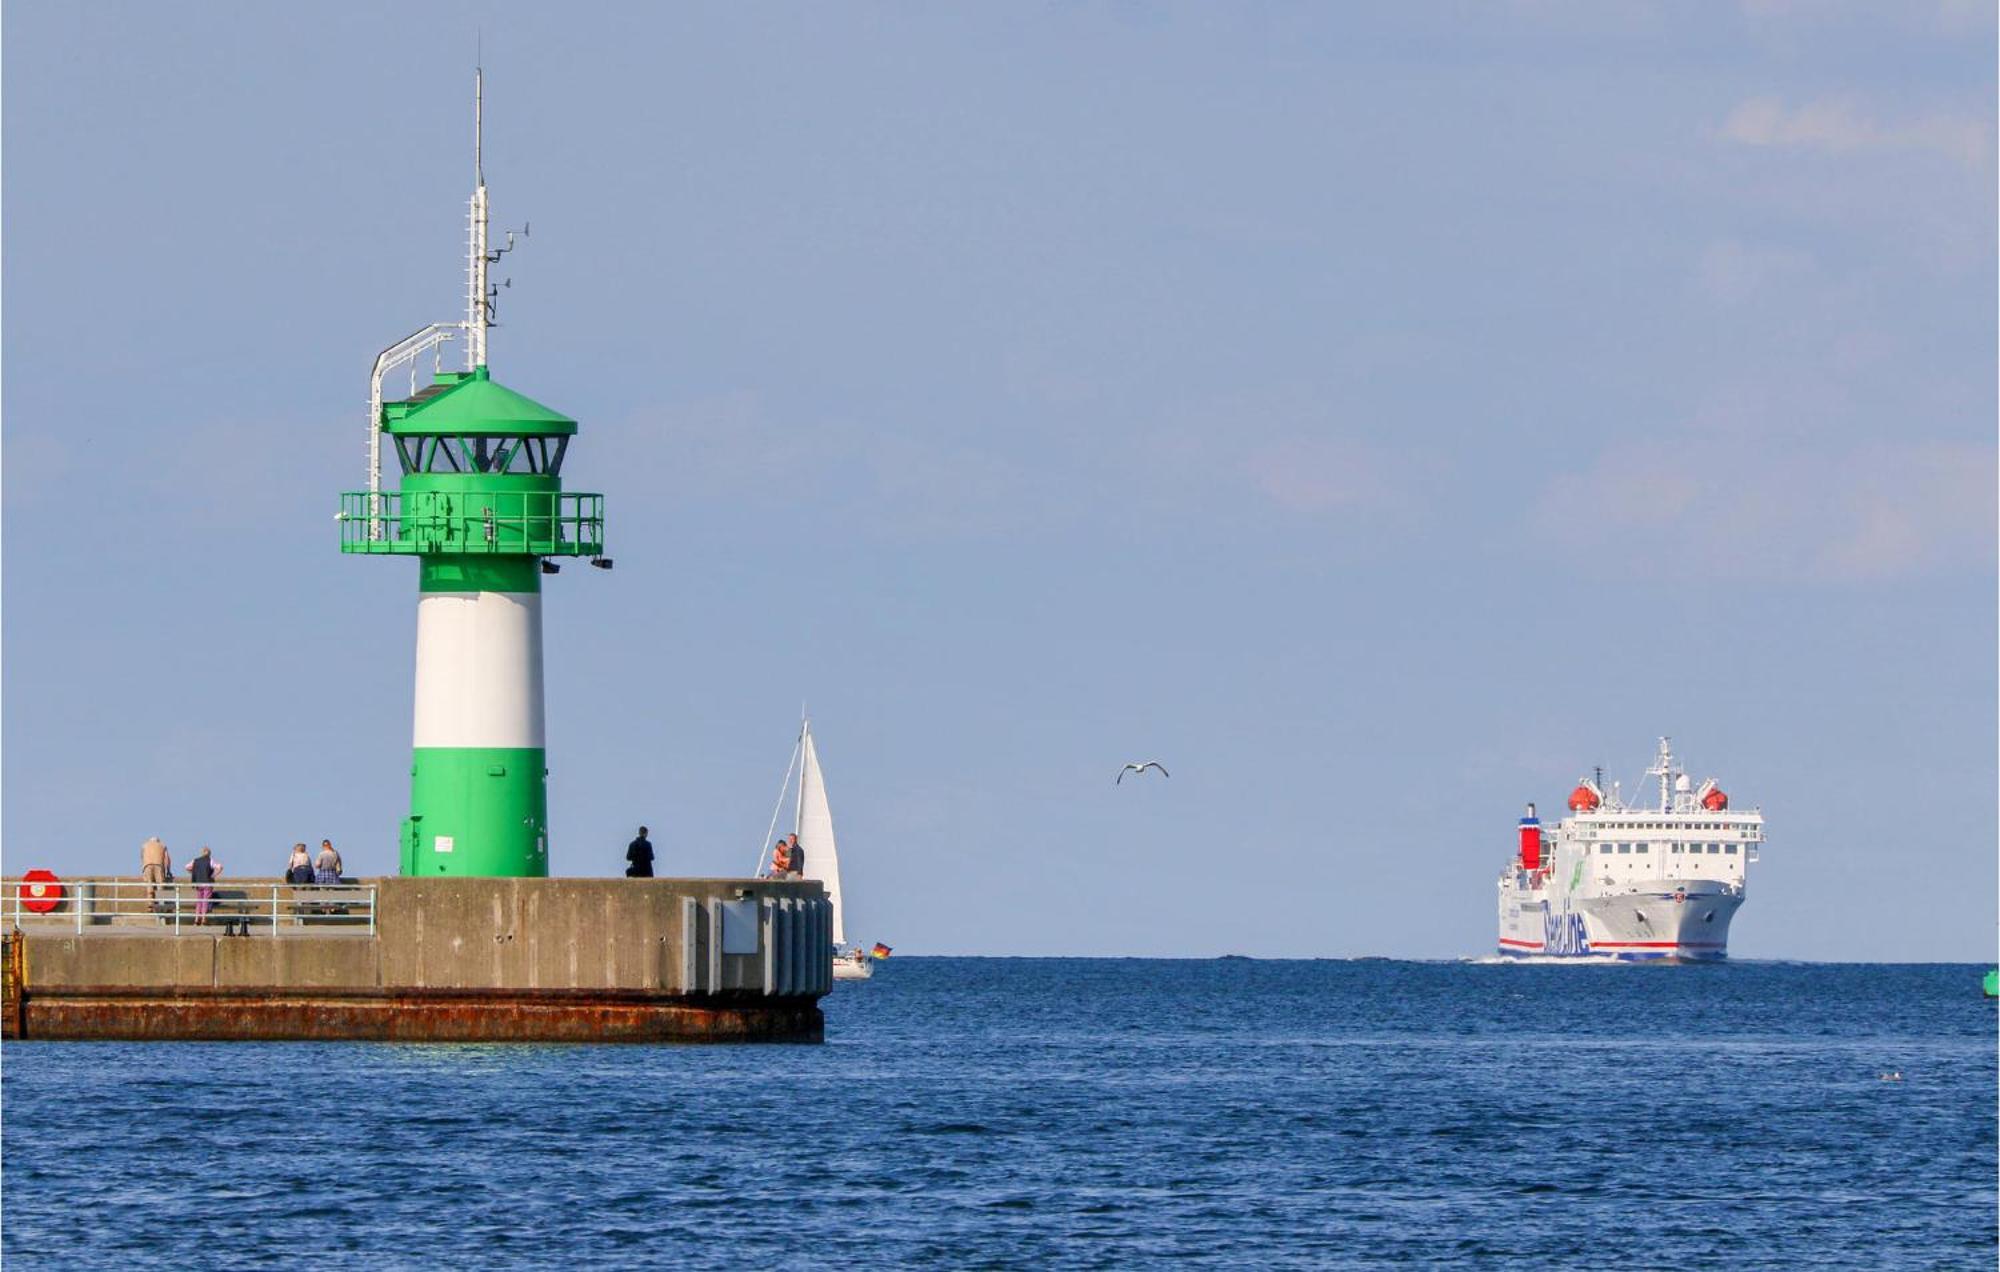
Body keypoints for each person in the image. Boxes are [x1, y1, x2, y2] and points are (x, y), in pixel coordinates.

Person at [186, 846, 221, 925]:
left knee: (199, 901)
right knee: (205, 901)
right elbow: (220, 867)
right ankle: (203, 919)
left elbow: (187, 867)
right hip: (207, 883)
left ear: (202, 853)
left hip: (198, 883)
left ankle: (196, 919)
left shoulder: (196, 860)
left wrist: (195, 873)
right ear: (209, 854)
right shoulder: (210, 861)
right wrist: (213, 875)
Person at [140, 835, 170, 905]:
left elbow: (142, 858)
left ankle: (150, 903)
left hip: (147, 866)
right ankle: (161, 904)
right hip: (159, 866)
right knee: (160, 885)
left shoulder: (144, 845)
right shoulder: (162, 845)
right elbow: (167, 860)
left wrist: (144, 869)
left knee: (149, 884)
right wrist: (168, 870)